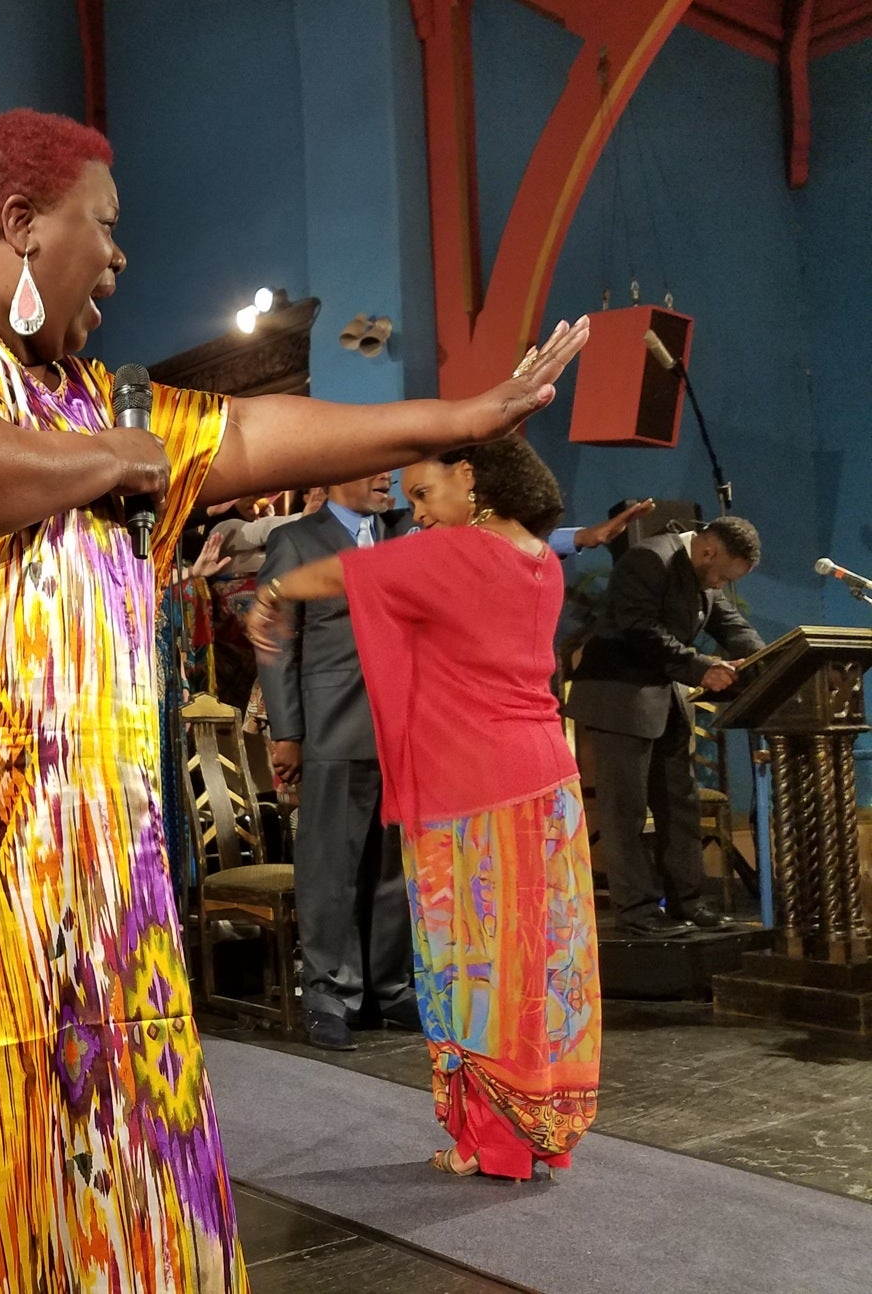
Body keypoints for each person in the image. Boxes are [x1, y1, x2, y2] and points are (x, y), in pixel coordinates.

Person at [0, 107, 588, 1290]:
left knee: (65, 1175)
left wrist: (456, 416)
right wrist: (129, 458)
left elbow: (249, 430)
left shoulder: (77, 397)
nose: (119, 256)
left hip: (69, 901)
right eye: (103, 227)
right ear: (18, 224)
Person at [250, 434, 601, 1181]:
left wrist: (274, 595)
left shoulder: (458, 553)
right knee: (536, 966)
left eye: (424, 494)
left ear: (470, 478)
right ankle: (538, 1127)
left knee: (477, 970)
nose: (419, 512)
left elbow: (344, 574)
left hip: (478, 792)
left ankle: (494, 1142)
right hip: (547, 782)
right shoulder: (540, 561)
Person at [256, 471, 417, 1051]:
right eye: (374, 470)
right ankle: (328, 992)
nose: (387, 481)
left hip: (401, 728)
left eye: (391, 473)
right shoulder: (297, 539)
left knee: (392, 867)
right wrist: (288, 732)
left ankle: (389, 989)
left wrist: (581, 538)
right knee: (330, 866)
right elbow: (276, 638)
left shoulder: (405, 530)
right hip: (330, 725)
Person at [568, 516, 765, 937]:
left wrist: (768, 660)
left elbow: (730, 624)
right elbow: (639, 628)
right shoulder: (648, 559)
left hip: (665, 696)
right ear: (709, 551)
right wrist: (701, 667)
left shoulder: (703, 572)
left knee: (680, 802)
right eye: (720, 577)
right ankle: (637, 911)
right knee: (627, 810)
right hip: (620, 695)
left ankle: (688, 903)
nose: (718, 586)